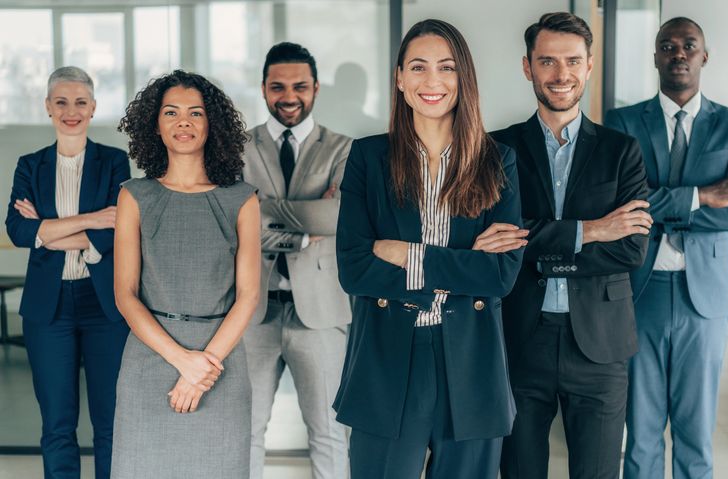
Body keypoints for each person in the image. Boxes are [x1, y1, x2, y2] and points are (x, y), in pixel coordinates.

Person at [334, 19, 526, 479]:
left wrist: (404, 252)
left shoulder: (497, 161)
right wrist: (463, 262)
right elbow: (354, 268)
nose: (432, 81)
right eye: (418, 67)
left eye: (446, 67)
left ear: (464, 78)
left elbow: (499, 276)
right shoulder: (368, 157)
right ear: (400, 79)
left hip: (471, 361)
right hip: (386, 358)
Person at [492, 12, 651, 479]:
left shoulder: (622, 150)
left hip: (601, 345)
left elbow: (631, 250)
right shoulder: (497, 150)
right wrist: (592, 230)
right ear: (528, 68)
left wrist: (541, 249)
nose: (561, 74)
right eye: (547, 61)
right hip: (521, 338)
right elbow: (498, 241)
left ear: (589, 66)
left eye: (572, 61)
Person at [605, 17, 728, 479]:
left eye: (688, 45)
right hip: (640, 290)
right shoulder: (623, 122)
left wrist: (661, 201)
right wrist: (703, 194)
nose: (678, 53)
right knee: (642, 431)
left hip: (706, 300)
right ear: (655, 56)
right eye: (667, 46)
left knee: (696, 433)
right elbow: (622, 204)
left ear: (704, 55)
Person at [111, 70, 260, 478]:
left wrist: (201, 370)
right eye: (171, 112)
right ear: (155, 125)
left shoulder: (241, 199)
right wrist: (183, 362)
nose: (184, 122)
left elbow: (248, 295)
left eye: (196, 113)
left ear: (212, 125)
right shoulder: (134, 195)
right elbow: (125, 294)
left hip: (221, 363)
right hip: (149, 360)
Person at [4, 66, 130, 479]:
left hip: (104, 306)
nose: (70, 110)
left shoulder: (114, 162)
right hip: (48, 307)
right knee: (57, 424)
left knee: (110, 423)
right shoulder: (30, 165)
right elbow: (19, 231)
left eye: (80, 102)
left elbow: (117, 233)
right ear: (48, 107)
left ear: (93, 108)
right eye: (61, 102)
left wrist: (48, 230)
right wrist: (92, 219)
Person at [241, 41, 352, 479]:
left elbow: (340, 217)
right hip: (253, 309)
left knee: (328, 431)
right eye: (278, 86)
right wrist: (306, 231)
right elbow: (234, 221)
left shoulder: (344, 149)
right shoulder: (237, 147)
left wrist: (264, 208)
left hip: (322, 313)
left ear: (316, 88)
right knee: (246, 430)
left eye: (300, 86)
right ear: (264, 89)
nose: (289, 96)